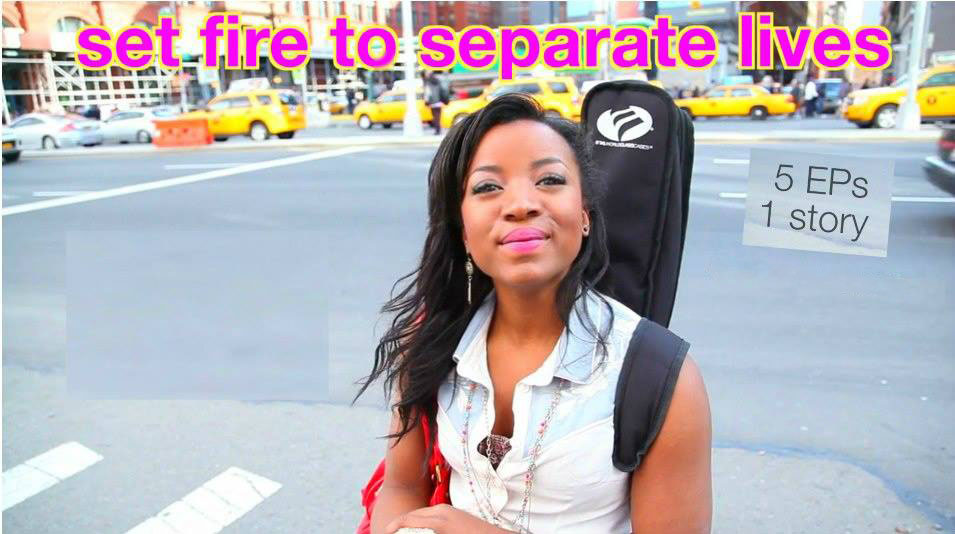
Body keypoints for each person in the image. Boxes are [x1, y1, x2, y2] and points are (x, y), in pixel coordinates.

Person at [354, 94, 712, 534]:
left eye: (549, 180)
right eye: (488, 187)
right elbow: (402, 486)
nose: (521, 204)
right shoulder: (431, 340)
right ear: (463, 230)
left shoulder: (661, 378)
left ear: (584, 214)